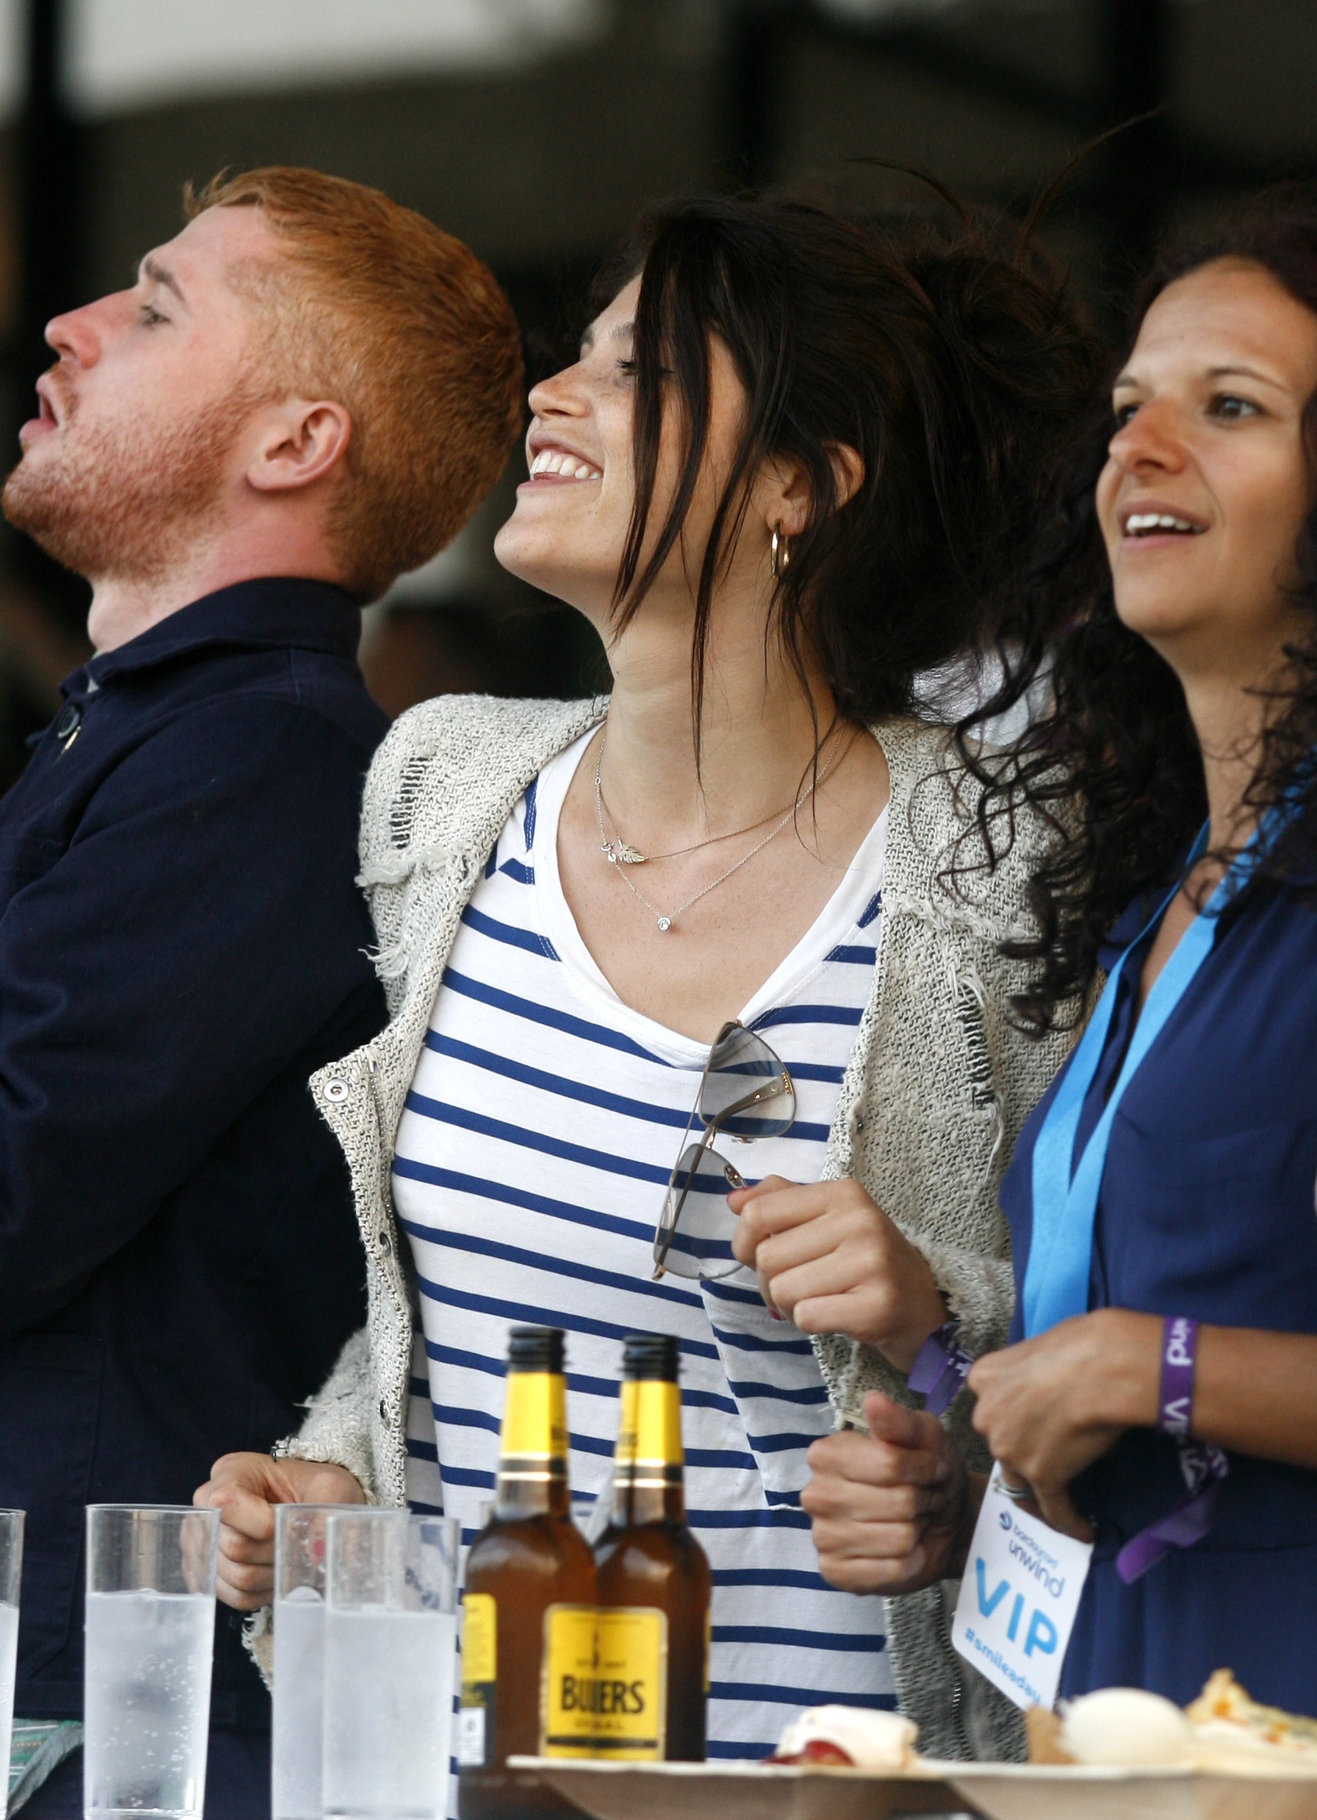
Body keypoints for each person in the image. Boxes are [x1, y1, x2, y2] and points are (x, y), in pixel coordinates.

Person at [197, 194, 1094, 1766]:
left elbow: (1114, 1333)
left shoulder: (988, 860)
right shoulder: (441, 787)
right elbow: (435, 1305)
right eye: (581, 354)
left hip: (832, 1781)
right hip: (464, 1771)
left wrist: (937, 1342)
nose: (554, 393)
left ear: (802, 488)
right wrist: (330, 1470)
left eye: (641, 369)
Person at [0, 166, 522, 1817]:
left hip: (114, 1721)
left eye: (155, 305)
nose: (69, 328)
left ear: (295, 442)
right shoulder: (167, 739)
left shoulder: (259, 760)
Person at [802, 188, 1317, 1717]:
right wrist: (958, 1405)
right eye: (1125, 411)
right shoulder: (1153, 900)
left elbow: (1153, 1365)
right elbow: (1142, 1427)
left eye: (1229, 408)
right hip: (1127, 1735)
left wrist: (1134, 1366)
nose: (1138, 451)